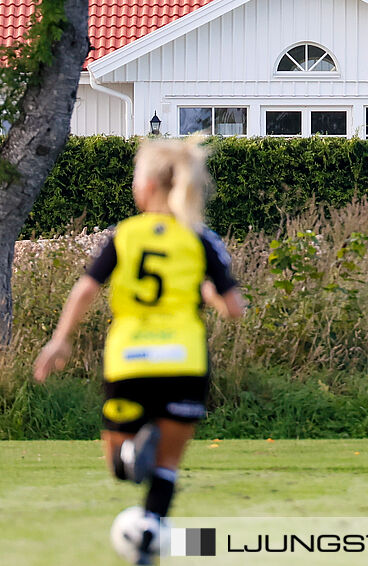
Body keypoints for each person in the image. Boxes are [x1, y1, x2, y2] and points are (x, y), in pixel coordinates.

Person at [34, 137, 244, 565]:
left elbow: (86, 289)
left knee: (117, 464)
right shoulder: (201, 239)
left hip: (130, 360)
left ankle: (132, 456)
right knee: (167, 468)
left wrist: (60, 340)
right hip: (184, 361)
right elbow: (234, 309)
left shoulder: (125, 235)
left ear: (146, 185)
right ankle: (149, 537)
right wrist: (207, 292)